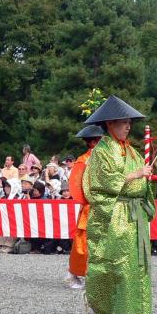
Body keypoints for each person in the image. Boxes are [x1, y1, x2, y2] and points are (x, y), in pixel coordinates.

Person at [82, 95, 155, 314]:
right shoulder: (101, 151)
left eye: (129, 122)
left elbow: (142, 181)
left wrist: (148, 186)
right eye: (123, 122)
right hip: (114, 212)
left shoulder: (132, 152)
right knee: (114, 263)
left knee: (136, 265)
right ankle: (103, 307)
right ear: (110, 124)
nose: (128, 126)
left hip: (134, 213)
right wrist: (135, 175)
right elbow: (101, 182)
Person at [65, 124, 103, 290]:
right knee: (83, 243)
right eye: (102, 140)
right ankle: (74, 272)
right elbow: (79, 185)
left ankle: (97, 274)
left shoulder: (106, 157)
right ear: (94, 142)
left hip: (104, 204)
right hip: (91, 205)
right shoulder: (82, 161)